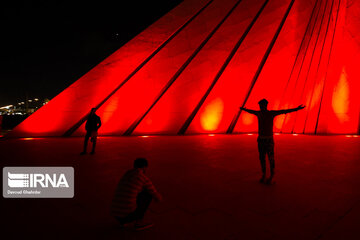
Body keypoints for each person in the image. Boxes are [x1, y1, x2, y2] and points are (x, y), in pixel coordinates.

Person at [240, 99, 305, 184]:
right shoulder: (262, 113)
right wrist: (244, 109)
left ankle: (270, 175)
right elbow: (251, 111)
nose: (261, 107)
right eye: (260, 105)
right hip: (263, 139)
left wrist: (296, 109)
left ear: (265, 105)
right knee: (263, 158)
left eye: (262, 105)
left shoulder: (267, 113)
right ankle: (265, 174)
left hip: (267, 139)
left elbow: (284, 111)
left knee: (269, 158)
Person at [111, 158, 162, 231]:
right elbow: (157, 196)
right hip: (127, 214)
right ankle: (139, 222)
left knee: (134, 193)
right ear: (145, 167)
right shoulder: (143, 178)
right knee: (147, 194)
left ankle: (123, 222)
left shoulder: (127, 173)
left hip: (115, 213)